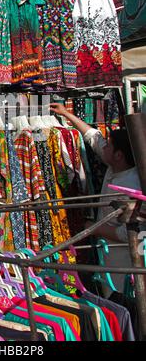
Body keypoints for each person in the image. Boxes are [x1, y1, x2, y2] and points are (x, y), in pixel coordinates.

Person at [50, 102, 142, 293]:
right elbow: (94, 137)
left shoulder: (132, 185)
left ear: (118, 155)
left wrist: (95, 229)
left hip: (124, 261)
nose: (103, 147)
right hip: (107, 257)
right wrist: (67, 114)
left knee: (123, 302)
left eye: (108, 146)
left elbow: (134, 233)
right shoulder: (115, 167)